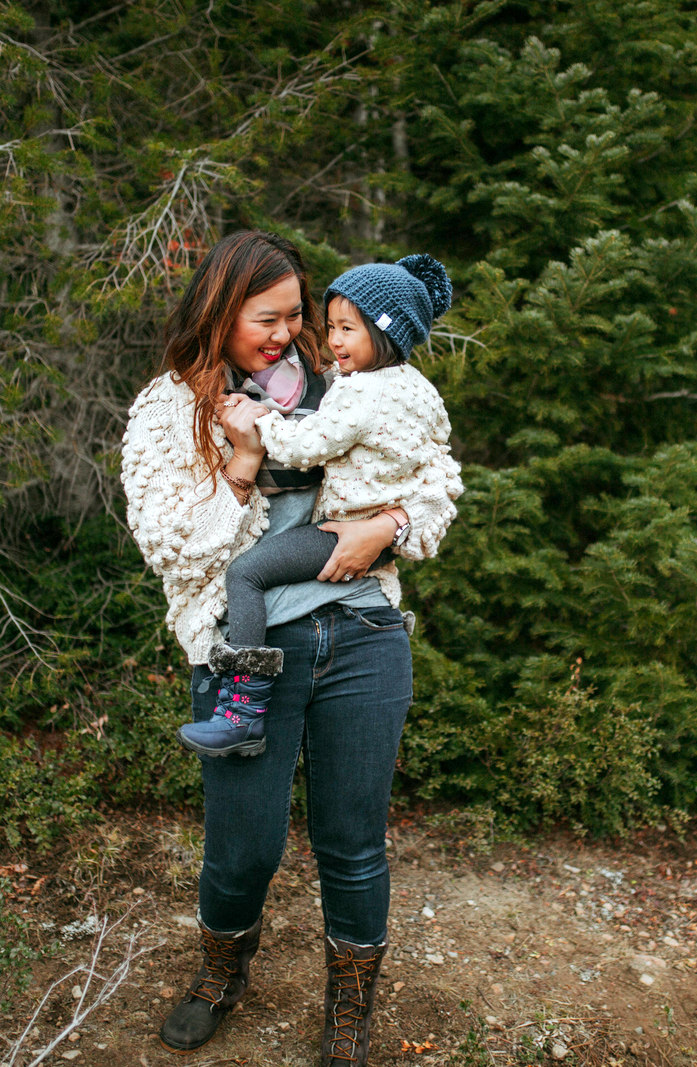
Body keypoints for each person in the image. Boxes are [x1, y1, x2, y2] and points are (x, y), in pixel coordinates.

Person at [119, 230, 462, 1065]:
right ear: (217, 309)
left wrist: (393, 523)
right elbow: (174, 546)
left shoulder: (344, 380)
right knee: (244, 845)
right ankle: (220, 973)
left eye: (295, 317)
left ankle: (350, 1005)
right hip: (246, 650)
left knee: (353, 840)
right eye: (265, 320)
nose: (284, 335)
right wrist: (240, 463)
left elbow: (439, 479)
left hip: (362, 631)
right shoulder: (166, 410)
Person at [176, 253, 460, 759]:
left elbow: (310, 445)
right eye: (329, 326)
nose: (332, 340)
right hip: (360, 545)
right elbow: (439, 460)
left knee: (246, 575)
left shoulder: (352, 392)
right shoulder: (420, 390)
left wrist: (258, 427)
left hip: (344, 536)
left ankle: (242, 708)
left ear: (384, 332)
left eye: (347, 329)